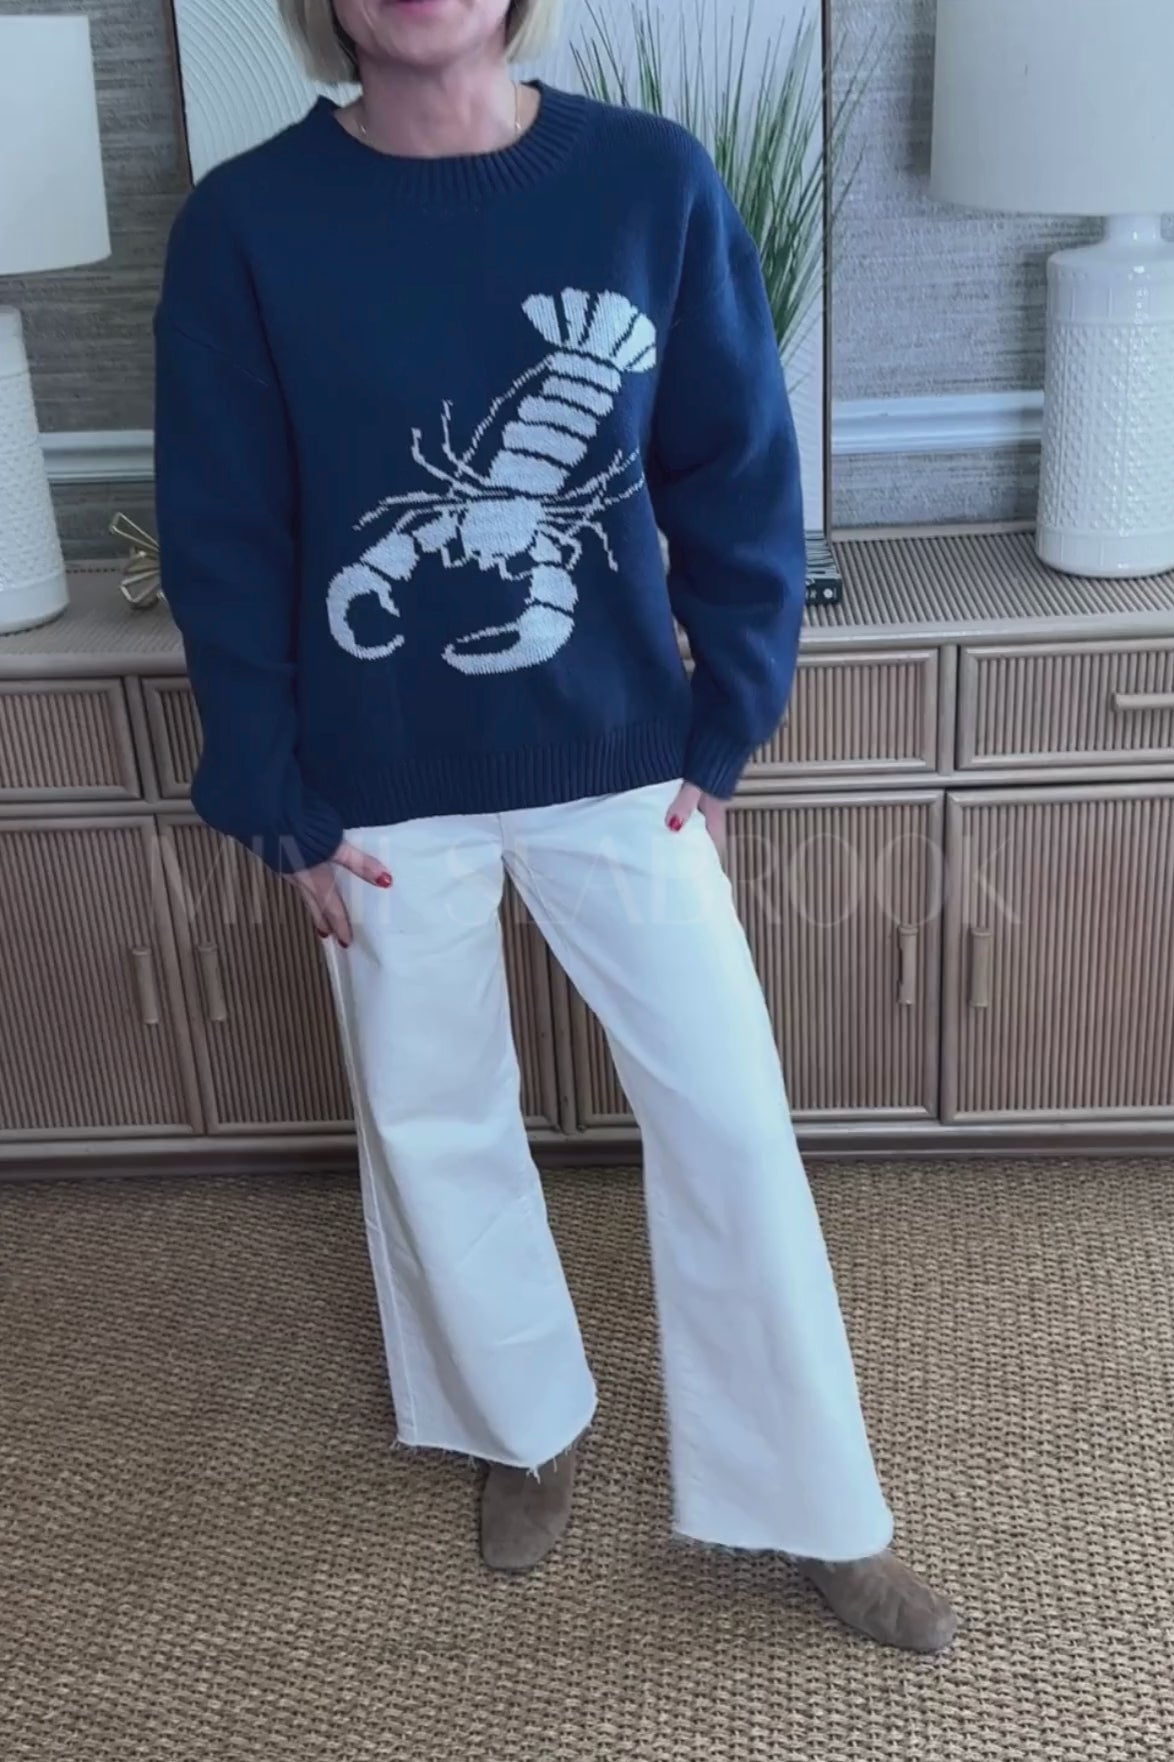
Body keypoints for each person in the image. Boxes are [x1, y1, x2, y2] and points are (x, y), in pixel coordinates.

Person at [153, 0, 958, 1654]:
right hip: (376, 787)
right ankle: (519, 1428)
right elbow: (224, 527)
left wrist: (727, 717)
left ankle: (813, 1502)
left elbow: (734, 462)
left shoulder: (650, 181)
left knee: (728, 1118)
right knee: (432, 1118)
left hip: (620, 757)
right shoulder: (245, 224)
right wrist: (274, 795)